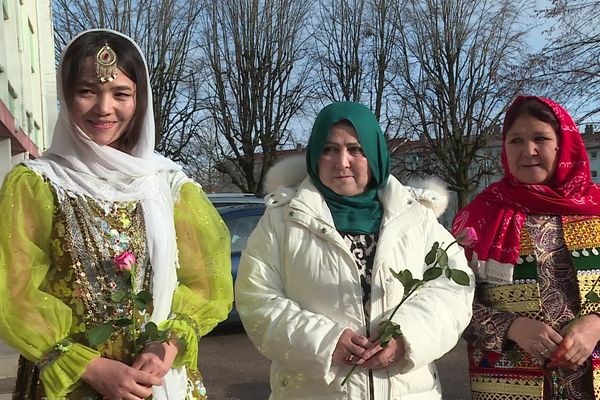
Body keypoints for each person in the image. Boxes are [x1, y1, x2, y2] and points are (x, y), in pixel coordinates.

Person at [0, 29, 233, 399]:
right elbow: (14, 292)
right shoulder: (38, 185)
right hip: (70, 383)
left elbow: (205, 284)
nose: (104, 108)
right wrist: (88, 366)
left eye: (121, 93)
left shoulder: (170, 187)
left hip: (158, 382)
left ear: (139, 101)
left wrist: (167, 345)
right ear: (66, 95)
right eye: (87, 91)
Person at [235, 101, 475, 399]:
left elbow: (452, 292)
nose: (342, 161)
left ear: (374, 153)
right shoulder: (283, 219)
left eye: (356, 149)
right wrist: (324, 342)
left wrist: (405, 338)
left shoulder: (416, 217)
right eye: (329, 149)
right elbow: (257, 299)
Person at [452, 95, 600, 399]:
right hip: (508, 382)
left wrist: (597, 325)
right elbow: (448, 302)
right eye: (516, 140)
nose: (528, 151)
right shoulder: (477, 219)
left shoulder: (595, 208)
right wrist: (511, 327)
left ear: (561, 143)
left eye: (540, 138)